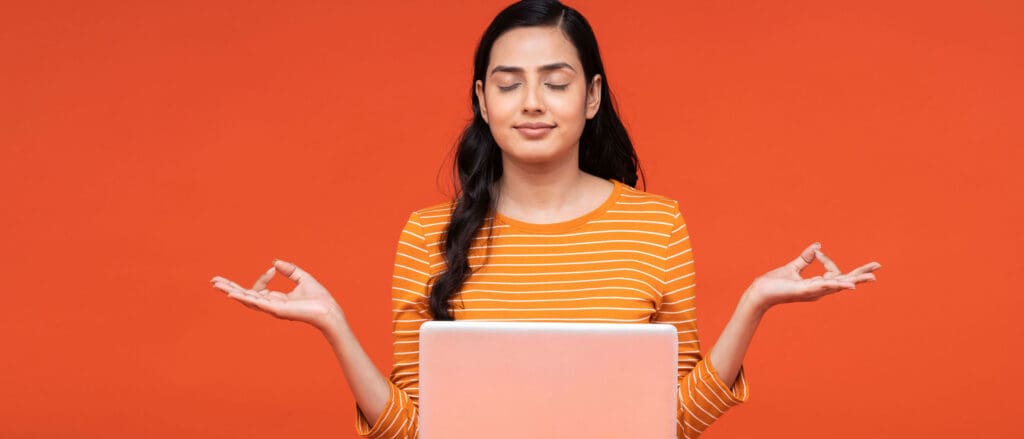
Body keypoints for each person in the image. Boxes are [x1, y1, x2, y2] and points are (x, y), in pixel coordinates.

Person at [209, 1, 881, 438]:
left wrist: (754, 304)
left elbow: (671, 422)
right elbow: (415, 431)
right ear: (482, 99)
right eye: (508, 83)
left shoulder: (656, 225)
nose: (532, 102)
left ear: (591, 97)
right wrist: (334, 325)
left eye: (556, 82)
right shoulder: (426, 234)